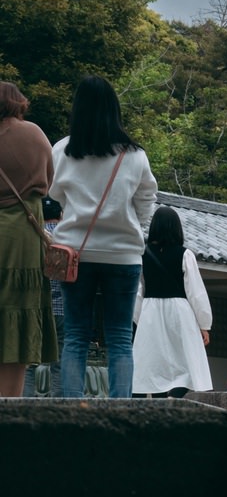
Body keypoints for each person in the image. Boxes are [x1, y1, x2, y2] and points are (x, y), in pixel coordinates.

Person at [51, 74, 158, 400]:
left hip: (74, 254)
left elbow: (55, 194)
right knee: (120, 337)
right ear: (114, 109)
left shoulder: (63, 150)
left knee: (76, 336)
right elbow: (146, 200)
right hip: (123, 255)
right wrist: (131, 225)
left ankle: (72, 407)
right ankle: (120, 409)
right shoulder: (134, 155)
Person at [0, 79, 59, 400]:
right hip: (25, 234)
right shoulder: (33, 133)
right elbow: (50, 182)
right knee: (19, 318)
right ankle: (10, 405)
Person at [132, 206, 212, 396]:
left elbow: (137, 291)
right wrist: (204, 323)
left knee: (154, 361)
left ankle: (159, 398)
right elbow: (195, 292)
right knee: (185, 359)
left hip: (150, 310)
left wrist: (139, 318)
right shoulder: (185, 254)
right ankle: (175, 396)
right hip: (180, 310)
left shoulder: (143, 255)